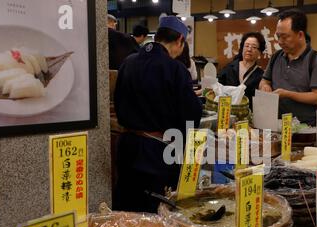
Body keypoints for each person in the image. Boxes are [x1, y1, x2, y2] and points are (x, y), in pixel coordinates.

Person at [113, 16, 202, 213]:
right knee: (154, 211)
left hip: (127, 147)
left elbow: (117, 102)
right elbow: (191, 114)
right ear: (179, 40)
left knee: (127, 207)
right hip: (156, 154)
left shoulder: (129, 62)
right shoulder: (176, 69)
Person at [259, 9, 317, 126]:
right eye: (278, 36)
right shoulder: (276, 56)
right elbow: (264, 80)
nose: (280, 42)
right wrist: (265, 86)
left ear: (300, 35)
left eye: (285, 37)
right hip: (275, 123)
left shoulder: (316, 60)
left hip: (304, 127)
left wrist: (287, 94)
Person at [218, 32, 266, 108]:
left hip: (247, 115)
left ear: (259, 52)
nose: (249, 49)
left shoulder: (261, 75)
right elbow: (218, 85)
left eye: (254, 47)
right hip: (227, 112)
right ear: (242, 48)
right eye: (246, 46)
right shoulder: (230, 67)